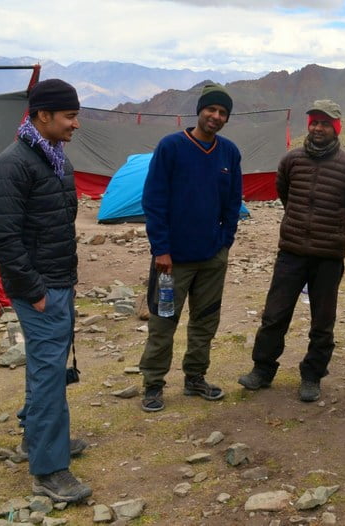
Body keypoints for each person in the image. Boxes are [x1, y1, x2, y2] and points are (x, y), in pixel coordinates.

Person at [0, 79, 91, 503]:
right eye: (69, 116)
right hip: (41, 289)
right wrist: (36, 291)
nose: (76, 124)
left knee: (48, 365)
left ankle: (36, 438)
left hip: (58, 281)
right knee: (49, 373)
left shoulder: (54, 159)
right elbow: (4, 240)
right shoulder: (10, 166)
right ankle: (48, 470)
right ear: (42, 116)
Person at [237, 100, 345, 402]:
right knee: (275, 314)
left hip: (329, 255)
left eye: (325, 123)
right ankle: (262, 369)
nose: (319, 128)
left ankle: (312, 375)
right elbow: (285, 193)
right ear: (308, 125)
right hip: (292, 251)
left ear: (336, 128)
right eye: (314, 122)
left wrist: (333, 228)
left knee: (323, 321)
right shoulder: (291, 160)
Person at [139, 83, 243, 413]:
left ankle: (195, 377)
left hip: (212, 258)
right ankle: (153, 384)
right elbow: (154, 200)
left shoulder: (229, 153)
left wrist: (225, 243)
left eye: (222, 112)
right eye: (211, 109)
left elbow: (233, 201)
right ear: (199, 111)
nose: (215, 116)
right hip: (172, 262)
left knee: (205, 321)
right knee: (163, 320)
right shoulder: (171, 146)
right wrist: (161, 250)